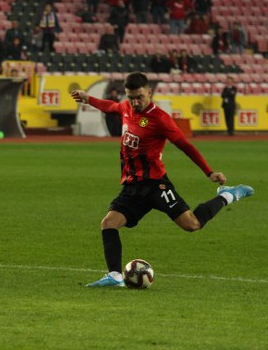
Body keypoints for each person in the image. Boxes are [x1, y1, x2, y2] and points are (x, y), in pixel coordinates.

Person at [70, 72, 254, 287]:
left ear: (149, 92)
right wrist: (87, 98)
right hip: (132, 187)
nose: (135, 102)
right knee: (108, 224)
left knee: (192, 224)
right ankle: (115, 276)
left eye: (139, 97)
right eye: (131, 97)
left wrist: (209, 172)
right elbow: (110, 106)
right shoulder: (126, 107)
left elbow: (186, 146)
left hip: (156, 185)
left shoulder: (160, 119)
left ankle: (227, 195)